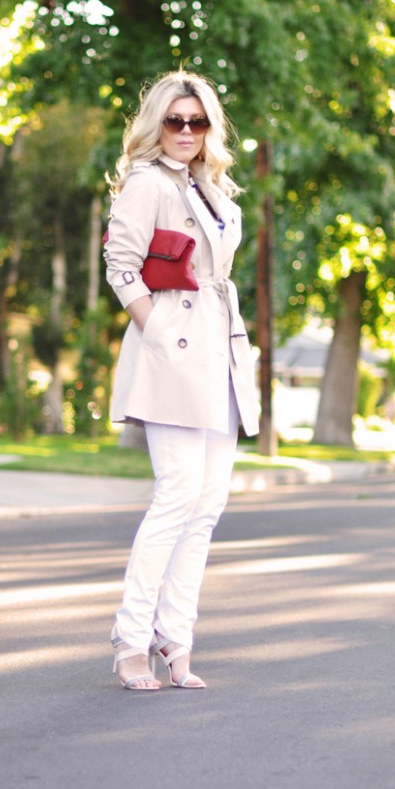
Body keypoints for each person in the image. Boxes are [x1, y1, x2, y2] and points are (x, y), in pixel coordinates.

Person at [104, 71, 259, 690]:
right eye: (175, 121)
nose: (187, 132)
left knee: (206, 506)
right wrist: (159, 332)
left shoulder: (213, 187)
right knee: (175, 496)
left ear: (210, 127)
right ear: (156, 124)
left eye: (197, 122)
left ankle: (177, 637)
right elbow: (121, 268)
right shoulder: (146, 183)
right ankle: (130, 641)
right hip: (175, 351)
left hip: (220, 355)